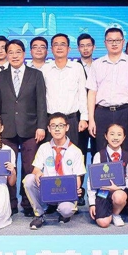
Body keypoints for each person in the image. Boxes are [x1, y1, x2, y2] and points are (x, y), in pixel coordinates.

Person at [0, 39, 47, 216]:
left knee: (29, 167)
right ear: (6, 55)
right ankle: (10, 203)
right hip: (7, 129)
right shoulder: (0, 76)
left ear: (24, 54)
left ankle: (28, 203)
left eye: (18, 52)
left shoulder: (36, 74)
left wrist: (41, 126)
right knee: (7, 167)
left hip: (31, 129)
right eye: (11, 52)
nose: (14, 55)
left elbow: (41, 103)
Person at [41, 33, 89, 203]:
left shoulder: (77, 68)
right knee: (51, 157)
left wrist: (84, 118)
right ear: (51, 49)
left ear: (69, 48)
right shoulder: (45, 69)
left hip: (72, 120)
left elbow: (82, 93)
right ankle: (52, 195)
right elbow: (41, 97)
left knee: (76, 156)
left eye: (63, 44)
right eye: (56, 44)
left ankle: (76, 192)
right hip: (51, 121)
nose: (59, 47)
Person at [87, 27, 128, 154]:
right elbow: (92, 93)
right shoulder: (97, 64)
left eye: (117, 40)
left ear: (123, 42)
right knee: (102, 150)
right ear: (105, 43)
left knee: (126, 150)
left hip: (126, 112)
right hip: (102, 113)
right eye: (110, 40)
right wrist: (91, 119)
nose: (114, 43)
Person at [24, 113, 86, 229]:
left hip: (65, 192)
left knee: (66, 210)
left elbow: (78, 177)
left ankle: (63, 212)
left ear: (67, 127)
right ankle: (39, 214)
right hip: (47, 190)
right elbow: (35, 170)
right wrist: (38, 173)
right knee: (29, 179)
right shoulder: (44, 148)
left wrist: (76, 189)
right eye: (53, 126)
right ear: (48, 128)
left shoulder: (76, 151)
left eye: (61, 125)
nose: (57, 129)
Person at [89, 123, 128, 228]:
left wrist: (118, 188)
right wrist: (91, 203)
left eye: (119, 134)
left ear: (124, 137)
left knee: (119, 197)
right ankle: (107, 211)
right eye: (112, 134)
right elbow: (91, 180)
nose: (115, 138)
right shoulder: (99, 155)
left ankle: (116, 214)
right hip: (102, 192)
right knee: (103, 223)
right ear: (106, 136)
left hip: (119, 191)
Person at [76, 33, 96, 164]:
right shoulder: (73, 67)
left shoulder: (100, 65)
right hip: (79, 116)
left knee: (97, 150)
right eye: (82, 46)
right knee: (79, 151)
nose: (85, 49)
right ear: (78, 48)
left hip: (97, 113)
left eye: (88, 45)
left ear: (94, 47)